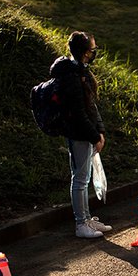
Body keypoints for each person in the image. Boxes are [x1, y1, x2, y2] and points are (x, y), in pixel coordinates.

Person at [50, 31, 112, 238]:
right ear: (85, 52)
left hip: (86, 132)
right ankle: (81, 224)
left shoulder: (80, 71)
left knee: (83, 179)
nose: (94, 53)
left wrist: (99, 130)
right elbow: (78, 113)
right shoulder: (71, 75)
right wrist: (95, 136)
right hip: (79, 134)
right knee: (80, 179)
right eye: (93, 49)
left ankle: (86, 220)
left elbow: (90, 106)